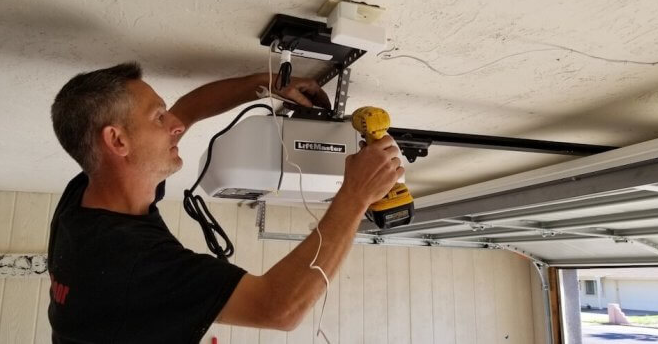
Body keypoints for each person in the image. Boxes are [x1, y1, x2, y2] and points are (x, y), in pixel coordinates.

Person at [48, 62, 404, 343]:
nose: (174, 124)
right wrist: (356, 196)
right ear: (117, 141)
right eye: (158, 117)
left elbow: (187, 112)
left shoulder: (88, 194)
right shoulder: (128, 260)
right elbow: (278, 308)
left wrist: (268, 83)